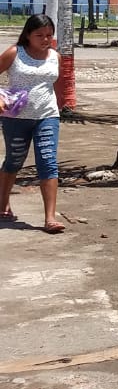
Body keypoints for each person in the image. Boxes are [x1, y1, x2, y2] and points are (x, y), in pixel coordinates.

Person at [0, 14, 65, 233]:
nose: (46, 39)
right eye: (40, 35)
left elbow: (55, 85)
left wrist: (61, 107)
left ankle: (50, 218)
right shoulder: (14, 53)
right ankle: (3, 204)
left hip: (47, 116)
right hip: (15, 118)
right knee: (14, 161)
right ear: (28, 34)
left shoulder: (55, 57)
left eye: (49, 35)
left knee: (48, 161)